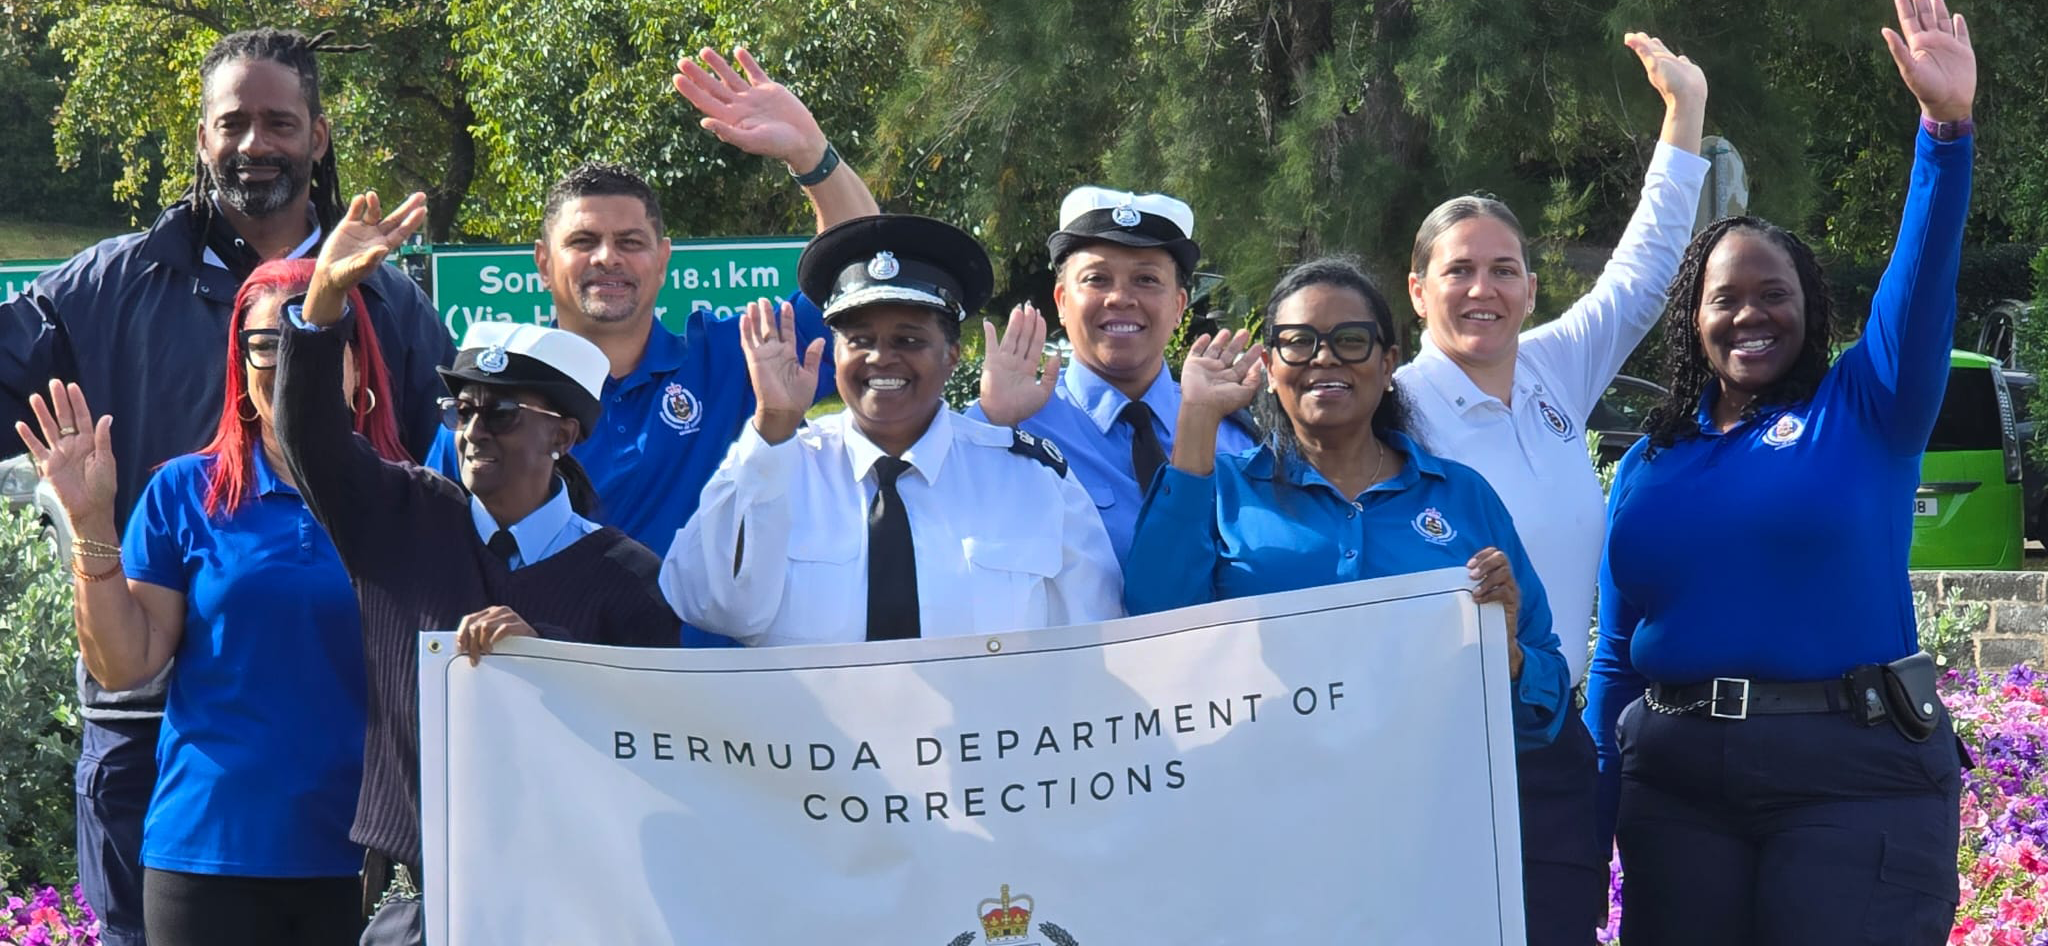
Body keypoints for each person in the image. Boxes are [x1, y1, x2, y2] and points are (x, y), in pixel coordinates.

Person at [0, 28, 453, 944]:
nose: (256, 144)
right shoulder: (107, 285)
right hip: (148, 728)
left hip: (324, 745)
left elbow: (453, 481)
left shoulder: (393, 306)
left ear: (318, 136)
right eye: (233, 123)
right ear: (202, 137)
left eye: (279, 122)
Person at [1586, 2, 1975, 941]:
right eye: (1727, 298)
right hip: (1677, 791)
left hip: (1856, 780)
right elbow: (1613, 661)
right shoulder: (1646, 464)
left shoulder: (1866, 408)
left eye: (1775, 294)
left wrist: (1945, 132)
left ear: (1811, 310)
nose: (1750, 315)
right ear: (1694, 319)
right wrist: (1586, 829)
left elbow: (1919, 284)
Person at [272, 192, 679, 943]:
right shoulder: (400, 518)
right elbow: (311, 436)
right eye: (462, 408)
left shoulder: (628, 576)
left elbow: (649, 745)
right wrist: (324, 299)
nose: (472, 428)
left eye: (501, 412)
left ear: (561, 433)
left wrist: (545, 653)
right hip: (415, 908)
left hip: (569, 905)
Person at [1393, 33, 1710, 945]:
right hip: (1427, 755)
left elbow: (1645, 273)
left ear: (1531, 289)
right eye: (1458, 270)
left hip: (1548, 740)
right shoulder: (1392, 409)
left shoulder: (1552, 373)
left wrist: (1682, 114)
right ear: (1418, 291)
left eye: (1502, 270)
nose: (1481, 289)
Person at [11, 258, 408, 946]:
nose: (290, 362)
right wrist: (91, 525)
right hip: (205, 853)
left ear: (356, 365)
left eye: (312, 338)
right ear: (240, 369)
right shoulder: (184, 493)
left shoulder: (408, 501)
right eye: (266, 344)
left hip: (356, 858)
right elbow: (124, 665)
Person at [423, 47, 872, 559]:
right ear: (544, 263)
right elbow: (436, 557)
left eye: (631, 242)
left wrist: (812, 154)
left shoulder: (733, 359)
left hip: (701, 640)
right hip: (543, 641)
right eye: (583, 241)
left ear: (662, 261)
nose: (608, 258)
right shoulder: (487, 400)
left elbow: (860, 284)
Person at [1120, 256, 1568, 749]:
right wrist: (1197, 420)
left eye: (1351, 340)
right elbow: (1150, 632)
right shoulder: (1218, 489)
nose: (1325, 358)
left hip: (1430, 808)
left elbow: (1544, 707)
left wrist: (1507, 658)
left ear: (1388, 363)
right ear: (1269, 368)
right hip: (1257, 802)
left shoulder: (1463, 496)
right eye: (1298, 342)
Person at [666, 214, 1123, 644]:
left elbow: (1093, 640)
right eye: (859, 340)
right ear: (835, 354)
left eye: (909, 340)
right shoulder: (779, 468)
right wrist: (771, 430)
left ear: (951, 356)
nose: (881, 357)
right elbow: (710, 604)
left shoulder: (1030, 479)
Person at [969, 187, 1258, 563]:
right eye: (1096, 279)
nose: (1120, 298)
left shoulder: (1231, 434)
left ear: (1178, 306)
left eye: (1146, 280)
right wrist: (988, 426)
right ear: (1061, 301)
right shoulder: (1012, 425)